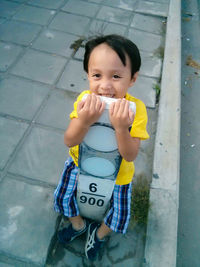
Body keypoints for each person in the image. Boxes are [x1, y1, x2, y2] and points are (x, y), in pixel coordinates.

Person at [54, 34, 149, 260]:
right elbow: (69, 140)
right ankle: (78, 225)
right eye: (97, 75)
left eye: (116, 76)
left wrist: (121, 128)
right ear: (88, 75)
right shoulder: (85, 99)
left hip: (118, 175)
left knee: (120, 215)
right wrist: (84, 121)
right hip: (80, 164)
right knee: (63, 197)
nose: (105, 86)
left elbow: (130, 154)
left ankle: (98, 234)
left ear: (133, 78)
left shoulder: (136, 110)